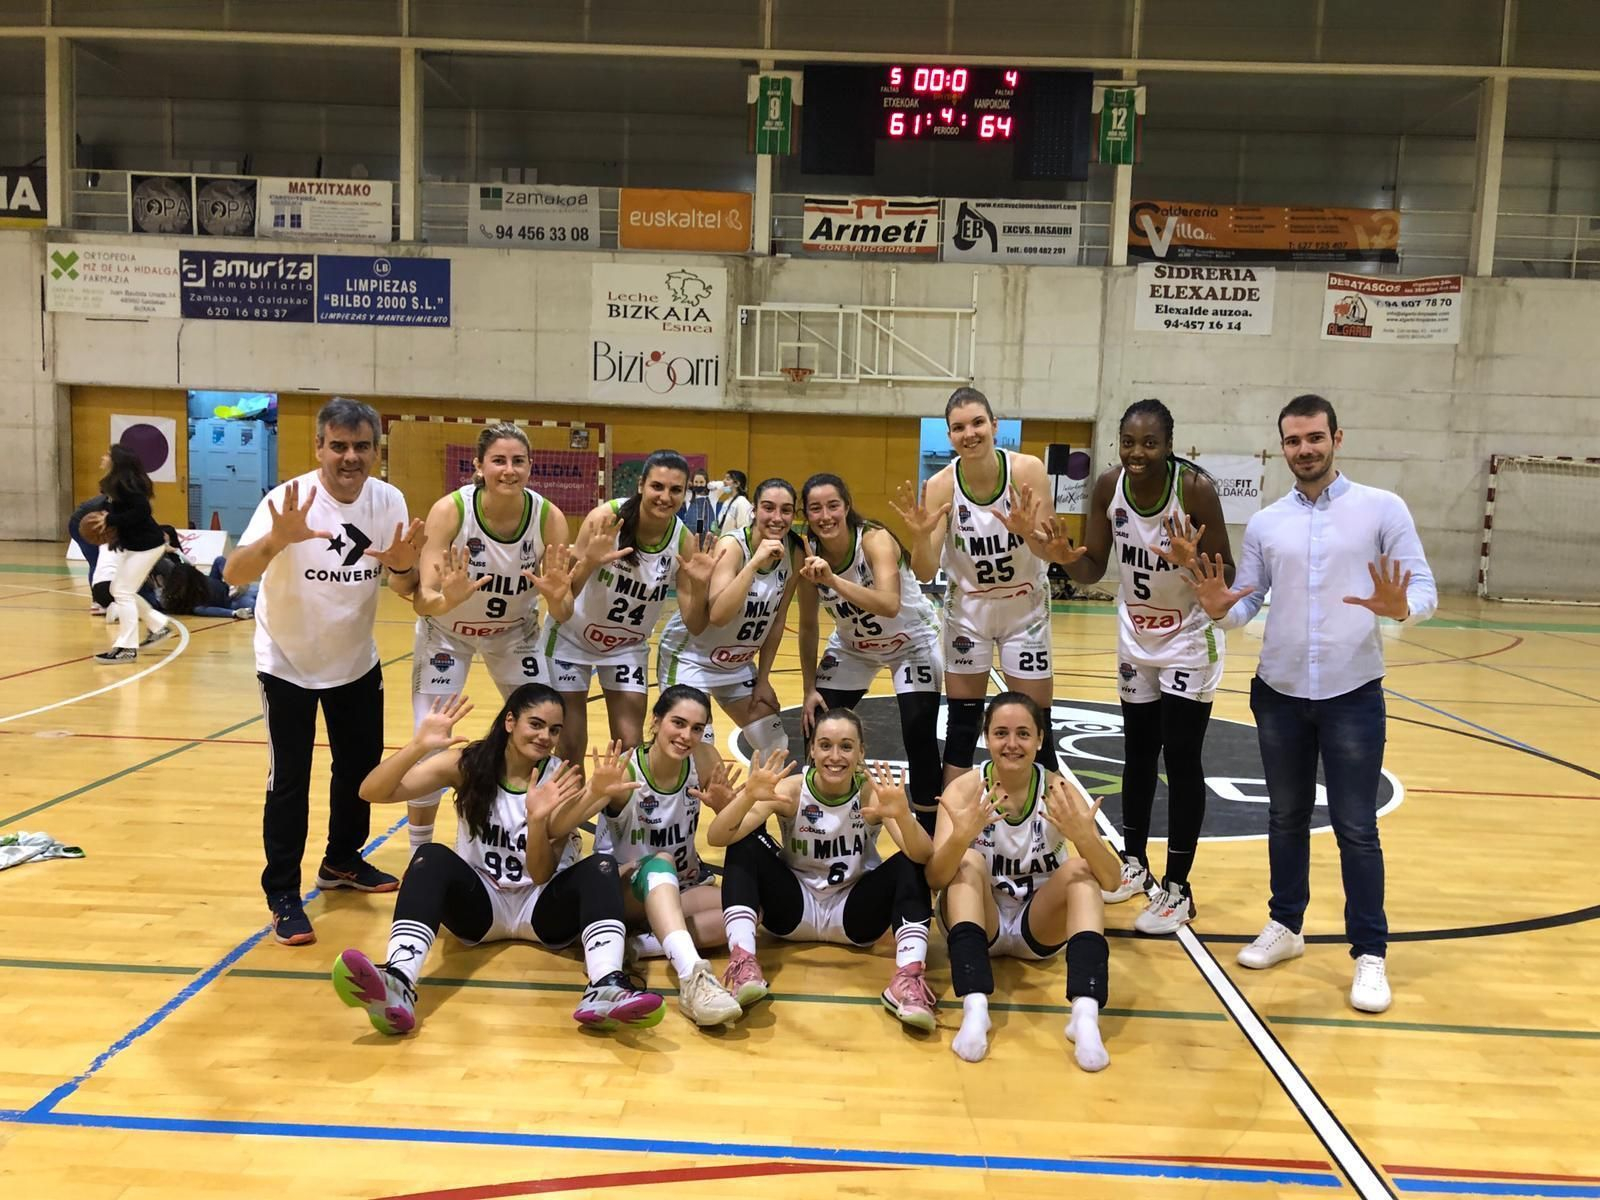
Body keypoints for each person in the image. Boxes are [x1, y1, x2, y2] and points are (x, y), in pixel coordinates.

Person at [1190, 393, 1436, 1015]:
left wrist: (1400, 609)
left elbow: (1424, 588)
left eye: (1314, 438)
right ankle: (1287, 926)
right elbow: (1245, 606)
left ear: (1336, 438)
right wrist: (1221, 608)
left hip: (1353, 694)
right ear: (1283, 447)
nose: (1305, 450)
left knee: (1357, 827)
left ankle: (1369, 954)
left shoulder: (1382, 508)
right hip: (1279, 694)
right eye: (1294, 441)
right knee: (1284, 817)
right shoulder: (1269, 522)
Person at [332, 687, 665, 1035]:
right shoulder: (468, 764)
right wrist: (418, 746)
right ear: (509, 721)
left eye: (554, 730)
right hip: (481, 907)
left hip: (542, 909)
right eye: (535, 724)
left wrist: (539, 819)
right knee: (428, 857)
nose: (545, 737)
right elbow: (370, 792)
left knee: (601, 867)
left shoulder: (561, 778)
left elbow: (540, 874)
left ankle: (605, 986)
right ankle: (398, 981)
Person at [223, 396, 426, 947]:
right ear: (319, 447)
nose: (350, 457)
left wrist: (406, 565)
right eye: (338, 446)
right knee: (288, 780)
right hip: (286, 660)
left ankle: (341, 861)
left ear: (376, 451)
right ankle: (283, 892)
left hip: (354, 660)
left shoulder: (389, 501)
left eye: (362, 446)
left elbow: (406, 586)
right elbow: (232, 573)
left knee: (359, 771)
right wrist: (275, 540)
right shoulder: (287, 500)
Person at [1030, 398, 1236, 936]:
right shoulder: (1107, 486)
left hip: (1189, 637)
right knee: (1139, 751)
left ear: (1169, 445)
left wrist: (1190, 561)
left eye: (1149, 443)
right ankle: (1134, 861)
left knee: (1182, 757)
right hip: (1136, 634)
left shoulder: (1195, 491)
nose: (1137, 452)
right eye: (1128, 442)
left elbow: (1225, 572)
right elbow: (1097, 566)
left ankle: (1179, 889)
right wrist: (1066, 557)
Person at [706, 709, 938, 1029]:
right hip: (793, 907)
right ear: (812, 749)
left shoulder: (872, 793)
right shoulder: (790, 789)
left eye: (846, 746)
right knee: (743, 843)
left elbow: (924, 856)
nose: (835, 756)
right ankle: (744, 963)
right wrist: (746, 796)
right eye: (825, 745)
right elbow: (717, 836)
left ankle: (907, 981)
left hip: (853, 914)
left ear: (861, 752)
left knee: (908, 863)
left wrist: (903, 816)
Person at [925, 693, 1120, 1069]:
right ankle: (975, 1006)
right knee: (966, 863)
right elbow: (936, 878)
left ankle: (1085, 1014)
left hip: (1038, 926)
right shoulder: (964, 790)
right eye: (1001, 733)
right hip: (983, 921)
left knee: (1081, 872)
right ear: (986, 737)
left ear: (1041, 740)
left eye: (1023, 734)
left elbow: (1111, 881)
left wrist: (1085, 839)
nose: (1012, 744)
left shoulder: (1060, 792)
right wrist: (960, 838)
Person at [405, 423, 573, 856]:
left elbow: (564, 610)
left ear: (531, 466)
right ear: (478, 466)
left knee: (541, 730)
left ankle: (536, 834)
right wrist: (448, 600)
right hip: (447, 634)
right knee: (432, 738)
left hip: (513, 634)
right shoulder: (450, 511)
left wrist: (558, 599)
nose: (509, 470)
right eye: (498, 460)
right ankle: (418, 850)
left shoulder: (548, 518)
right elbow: (422, 600)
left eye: (518, 461)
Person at [892, 387, 1060, 787]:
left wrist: (1028, 531)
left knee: (1039, 727)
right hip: (969, 610)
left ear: (994, 425)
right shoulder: (939, 486)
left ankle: (1050, 831)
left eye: (977, 423)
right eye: (959, 427)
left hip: (1025, 607)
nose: (970, 433)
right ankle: (954, 832)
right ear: (949, 436)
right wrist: (919, 537)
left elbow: (1051, 551)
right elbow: (925, 567)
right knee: (963, 728)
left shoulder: (1027, 471)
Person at [542, 449, 714, 762]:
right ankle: (573, 812)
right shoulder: (605, 520)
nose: (665, 496)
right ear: (640, 485)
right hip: (571, 638)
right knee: (569, 746)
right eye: (657, 486)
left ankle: (618, 812)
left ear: (686, 493)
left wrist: (701, 586)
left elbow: (696, 624)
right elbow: (564, 600)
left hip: (625, 647)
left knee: (630, 745)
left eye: (676, 490)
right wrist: (590, 561)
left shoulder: (683, 541)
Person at [797, 473, 944, 832]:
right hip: (853, 648)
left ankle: (929, 828)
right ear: (807, 514)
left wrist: (832, 580)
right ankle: (823, 816)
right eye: (815, 509)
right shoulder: (807, 551)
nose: (825, 515)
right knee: (816, 723)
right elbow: (807, 624)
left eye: (833, 505)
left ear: (847, 507)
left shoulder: (874, 539)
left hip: (910, 643)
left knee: (917, 729)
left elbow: (889, 604)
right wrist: (807, 688)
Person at [593, 685, 744, 1026]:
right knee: (660, 861)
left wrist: (726, 808)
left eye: (696, 728)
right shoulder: (626, 771)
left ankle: (637, 947)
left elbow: (729, 829)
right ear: (656, 720)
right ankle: (693, 978)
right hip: (625, 889)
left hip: (681, 887)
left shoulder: (704, 759)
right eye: (677, 723)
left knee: (745, 911)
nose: (686, 735)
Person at [656, 477, 800, 758]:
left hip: (736, 664)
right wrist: (756, 562)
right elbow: (720, 615)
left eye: (786, 510)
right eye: (768, 508)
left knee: (774, 742)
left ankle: (760, 802)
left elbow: (777, 620)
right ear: (754, 511)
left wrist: (764, 678)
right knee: (695, 747)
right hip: (691, 658)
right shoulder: (733, 547)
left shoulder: (793, 551)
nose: (777, 517)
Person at [93, 446, 176, 664]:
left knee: (122, 592)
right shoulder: (115, 483)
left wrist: (110, 521)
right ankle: (158, 625)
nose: (103, 457)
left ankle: (126, 647)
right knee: (118, 589)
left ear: (116, 461)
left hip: (147, 545)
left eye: (107, 455)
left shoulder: (126, 485)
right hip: (137, 545)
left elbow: (142, 512)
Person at [680, 468, 717, 543]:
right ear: (692, 482)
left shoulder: (713, 495)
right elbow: (678, 484)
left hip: (708, 538)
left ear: (706, 482)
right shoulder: (688, 494)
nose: (698, 484)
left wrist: (710, 485)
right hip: (691, 537)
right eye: (696, 482)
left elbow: (723, 485)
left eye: (701, 482)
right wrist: (688, 483)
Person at [712, 469, 753, 536]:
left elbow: (744, 529)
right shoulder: (726, 502)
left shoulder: (742, 502)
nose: (724, 481)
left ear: (737, 484)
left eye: (728, 479)